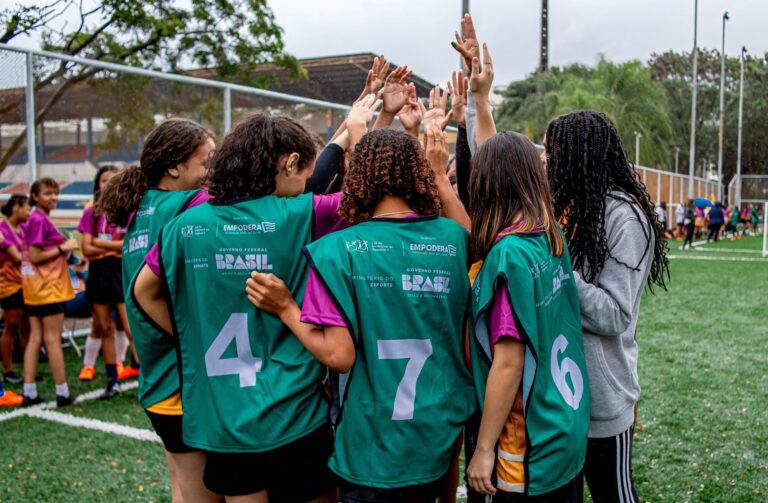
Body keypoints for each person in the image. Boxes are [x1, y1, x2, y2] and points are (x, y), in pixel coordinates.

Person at [132, 107, 383, 501]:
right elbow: (372, 196)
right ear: (290, 162)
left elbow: (141, 291)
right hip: (295, 412)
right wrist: (360, 132)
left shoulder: (183, 226)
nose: (305, 187)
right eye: (304, 175)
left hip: (223, 418)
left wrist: (189, 337)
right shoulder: (303, 212)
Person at [246, 121, 474, 503]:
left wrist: (286, 308)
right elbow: (469, 238)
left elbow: (339, 355)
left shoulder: (336, 250)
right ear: (419, 172)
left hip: (373, 445)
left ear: (357, 173)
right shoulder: (454, 239)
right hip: (439, 434)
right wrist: (439, 176)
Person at [457, 37, 589, 501]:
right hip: (564, 424)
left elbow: (509, 363)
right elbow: (503, 159)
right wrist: (481, 100)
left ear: (486, 184)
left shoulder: (508, 256)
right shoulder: (548, 231)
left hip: (525, 444)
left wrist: (484, 449)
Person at [99, 118, 218, 503]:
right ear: (173, 167)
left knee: (181, 487)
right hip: (183, 385)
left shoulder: (143, 208)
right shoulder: (189, 204)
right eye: (207, 161)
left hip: (158, 385)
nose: (212, 170)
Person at [21, 178, 80, 407]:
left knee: (37, 338)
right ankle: (62, 392)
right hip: (48, 288)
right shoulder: (38, 220)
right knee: (52, 339)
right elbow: (36, 256)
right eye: (47, 193)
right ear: (35, 196)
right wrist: (63, 248)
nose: (53, 197)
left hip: (36, 288)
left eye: (55, 193)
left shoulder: (36, 218)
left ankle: (29, 391)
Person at [77, 165, 133, 399]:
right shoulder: (92, 213)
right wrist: (113, 249)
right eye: (103, 180)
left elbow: (130, 245)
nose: (107, 184)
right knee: (104, 328)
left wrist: (104, 247)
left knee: (130, 326)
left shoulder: (128, 210)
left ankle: (144, 371)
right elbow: (86, 248)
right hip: (99, 272)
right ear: (97, 185)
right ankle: (113, 380)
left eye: (112, 179)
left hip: (122, 270)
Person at [1, 194, 31, 386]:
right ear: (16, 207)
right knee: (11, 327)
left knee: (27, 327)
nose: (29, 211)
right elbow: (17, 257)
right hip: (8, 285)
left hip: (25, 283)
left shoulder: (21, 229)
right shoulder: (3, 229)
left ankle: (28, 368)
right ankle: (9, 370)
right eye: (27, 207)